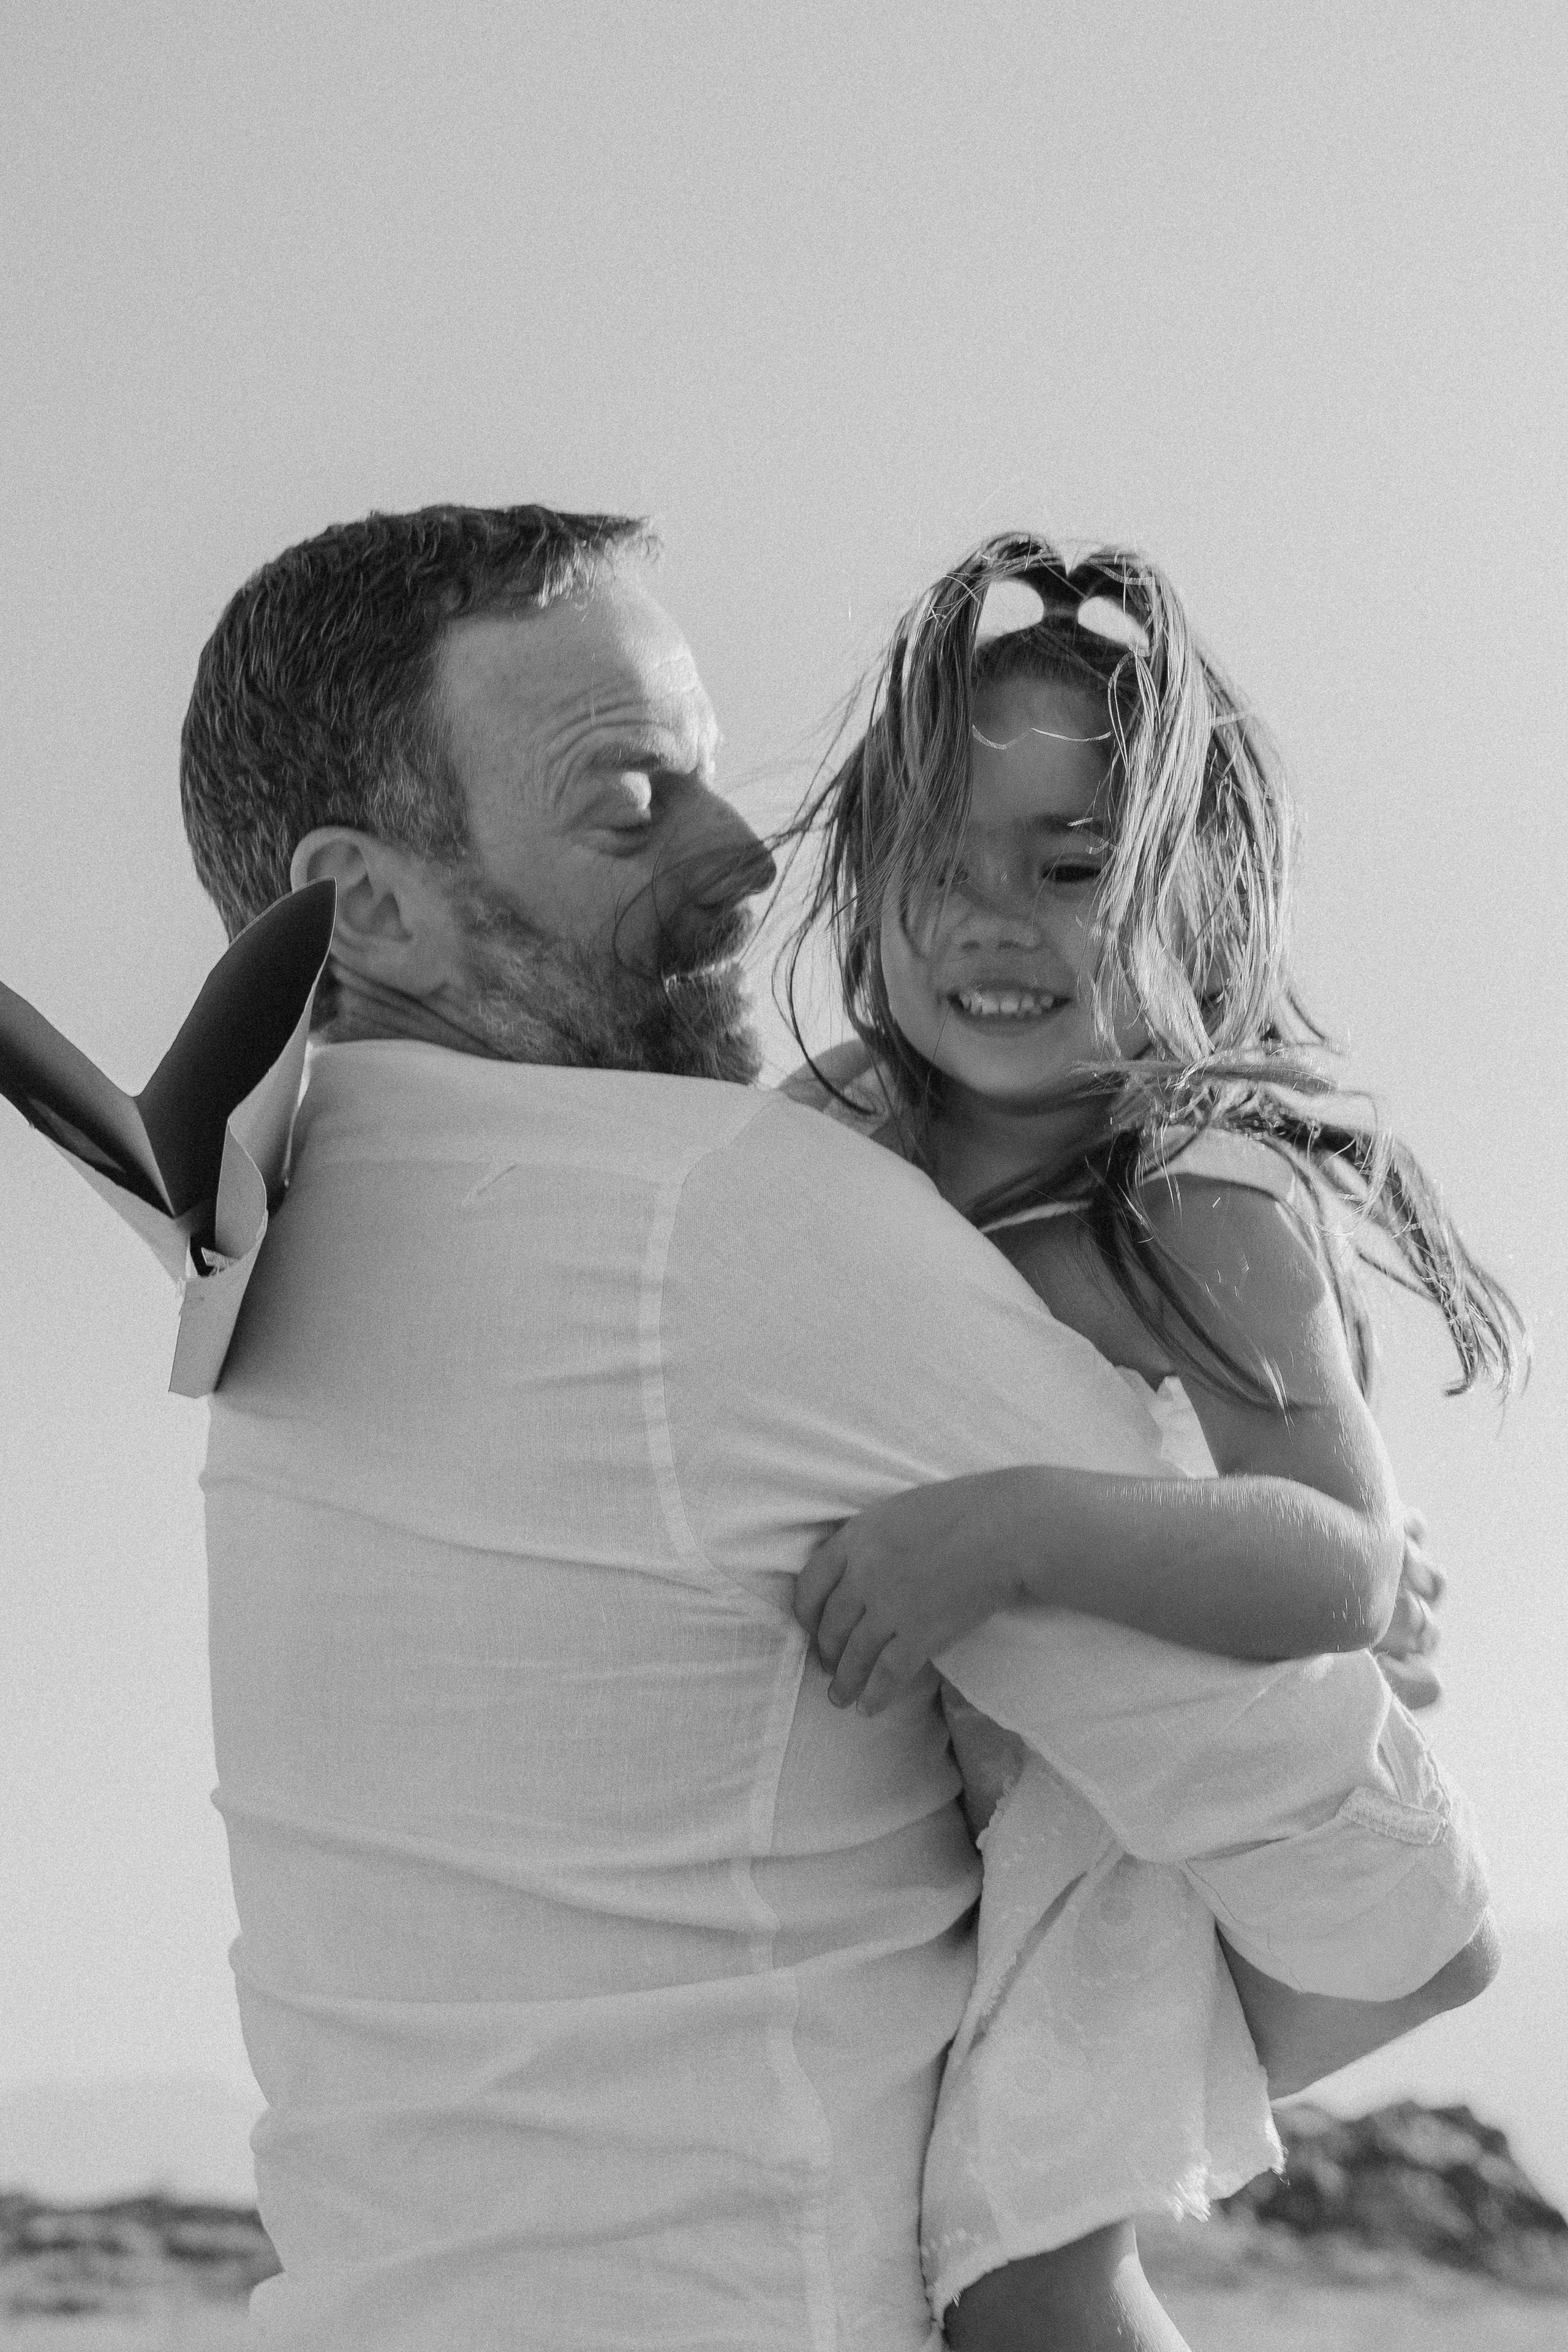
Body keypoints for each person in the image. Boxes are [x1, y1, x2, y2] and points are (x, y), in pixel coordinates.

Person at [176, 503, 1496, 2351]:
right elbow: (1406, 1920)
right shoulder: (744, 1211)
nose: (746, 852)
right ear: (372, 898)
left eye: (713, 776)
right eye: (631, 805)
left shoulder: (299, 1250)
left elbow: (1326, 1560)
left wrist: (1236, 1545)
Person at [779, 531, 1526, 2346]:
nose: (988, 924)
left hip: (1248, 1841)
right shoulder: (856, 1135)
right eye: (938, 865)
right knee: (987, 2268)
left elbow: (1342, 1566)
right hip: (1117, 1818)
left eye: (1073, 867)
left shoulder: (1192, 1188)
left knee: (1026, 2282)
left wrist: (1012, 1532)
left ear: (1193, 899)